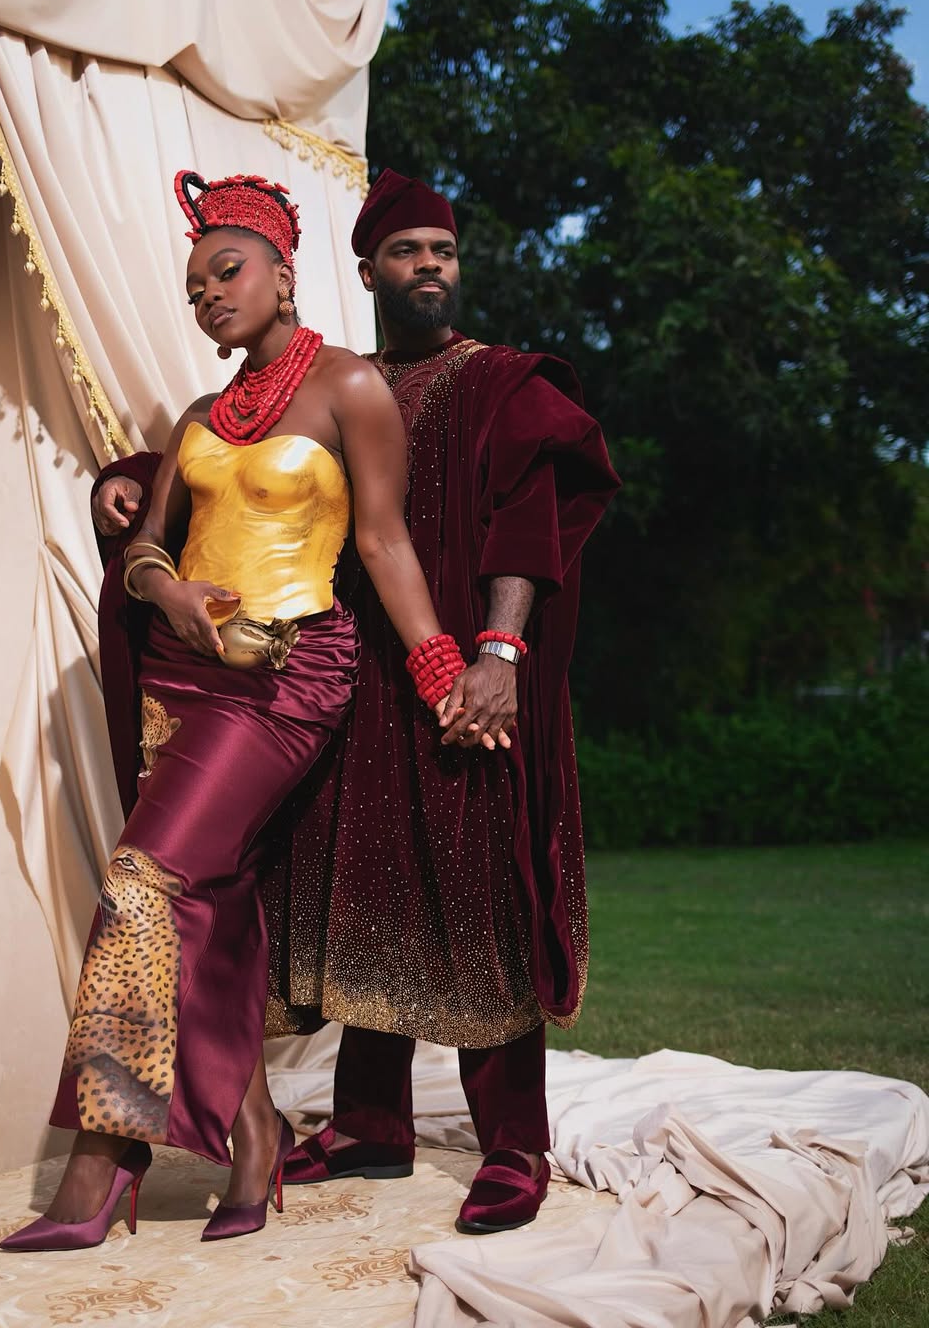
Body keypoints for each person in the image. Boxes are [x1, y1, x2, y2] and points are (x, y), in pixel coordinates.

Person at [91, 170, 619, 1235]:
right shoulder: (337, 379)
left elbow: (530, 516)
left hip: (457, 672)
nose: (433, 266)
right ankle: (372, 1122)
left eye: (447, 251)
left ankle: (515, 1144)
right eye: (412, 251)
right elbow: (258, 468)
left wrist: (499, 650)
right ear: (367, 270)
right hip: (344, 677)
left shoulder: (500, 382)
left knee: (479, 895)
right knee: (362, 895)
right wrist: (131, 472)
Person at [0, 171, 463, 1252]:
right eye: (195, 283)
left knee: (139, 877)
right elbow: (148, 550)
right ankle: (253, 1135)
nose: (207, 294)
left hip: (290, 677)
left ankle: (104, 1155)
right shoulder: (200, 417)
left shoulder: (352, 389)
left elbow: (386, 544)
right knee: (206, 908)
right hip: (182, 676)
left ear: (285, 275)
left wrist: (443, 669)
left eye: (227, 271)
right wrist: (168, 590)